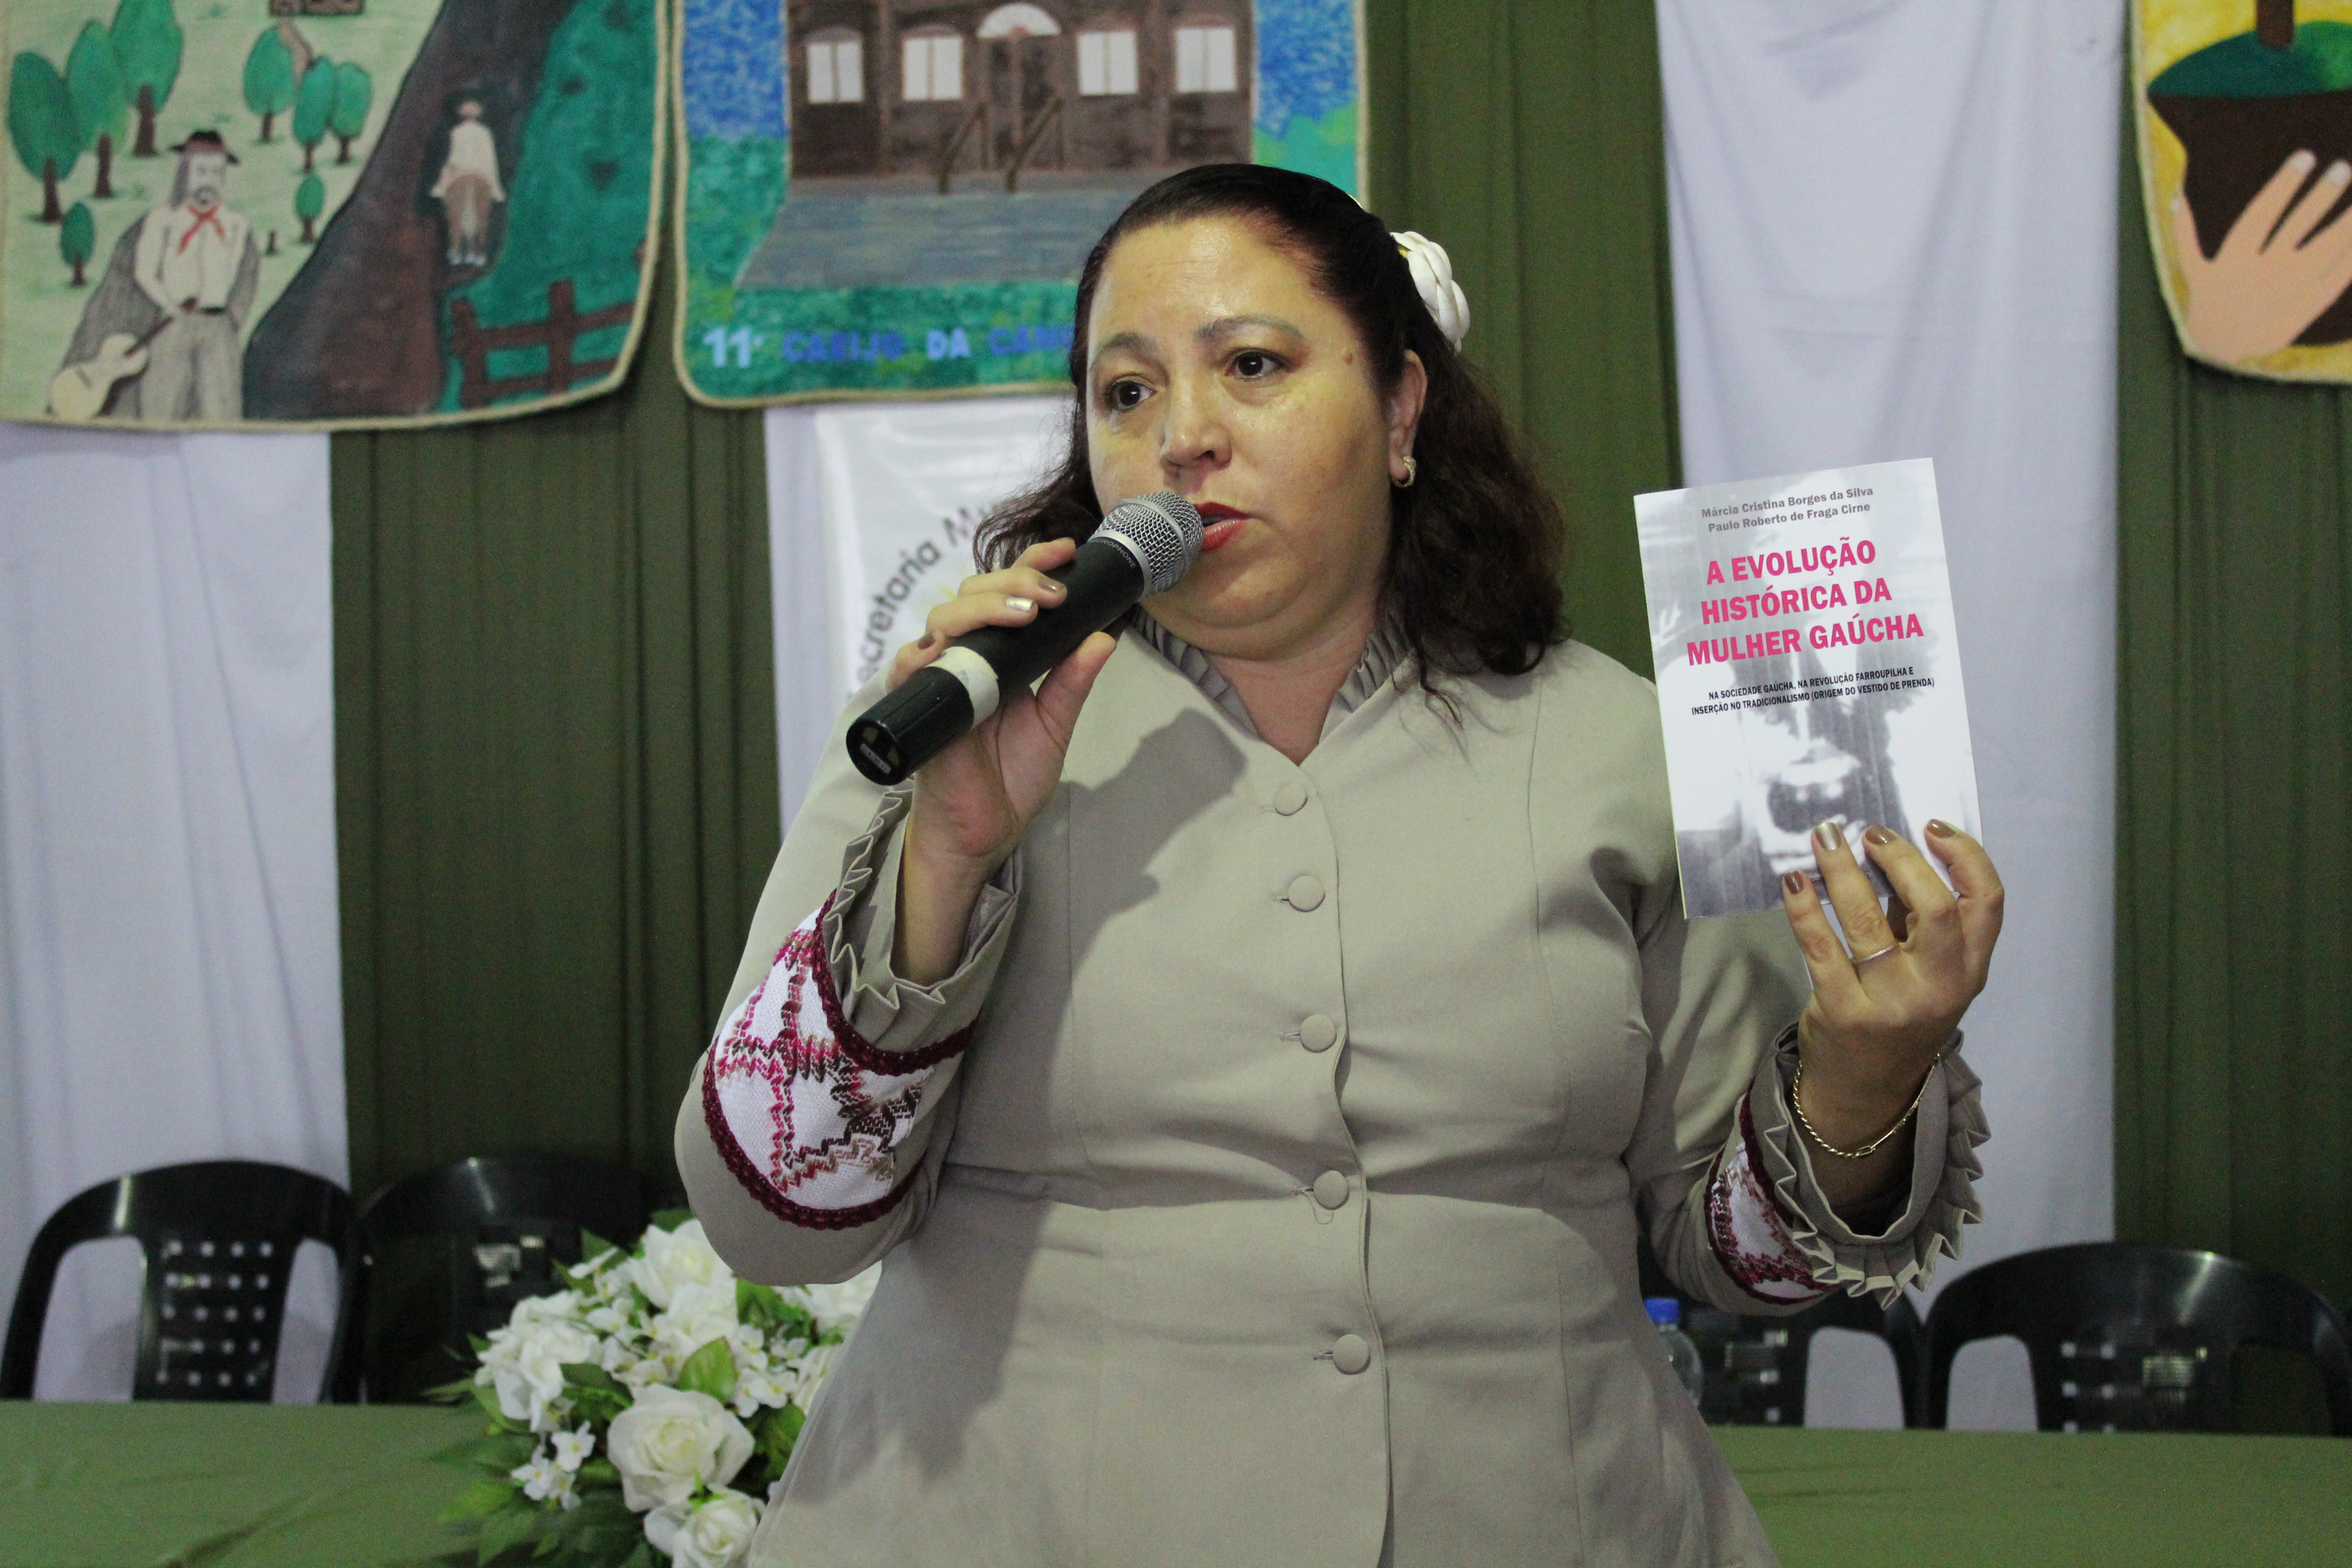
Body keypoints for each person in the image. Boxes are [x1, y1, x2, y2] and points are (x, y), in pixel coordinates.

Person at [677, 164, 2003, 1568]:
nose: (1184, 437)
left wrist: (1866, 1077)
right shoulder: (954, 728)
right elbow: (776, 1224)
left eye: (1253, 366)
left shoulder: (1621, 742)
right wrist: (944, 865)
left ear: (1402, 410)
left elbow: (1739, 1261)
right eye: (1126, 393)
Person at [103, 130, 260, 423]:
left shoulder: (236, 224)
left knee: (222, 413)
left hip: (218, 328)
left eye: (217, 173)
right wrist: (169, 305)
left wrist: (231, 320)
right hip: (173, 325)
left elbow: (240, 277)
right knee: (161, 410)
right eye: (201, 172)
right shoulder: (163, 219)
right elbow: (144, 272)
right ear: (185, 172)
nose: (208, 181)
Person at [432, 101, 505, 267]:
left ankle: (457, 251)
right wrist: (496, 188)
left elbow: (453, 159)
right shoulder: (485, 133)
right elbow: (490, 160)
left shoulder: (457, 132)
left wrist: (442, 185)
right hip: (481, 175)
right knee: (480, 216)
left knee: (457, 215)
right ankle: (478, 252)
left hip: (460, 175)